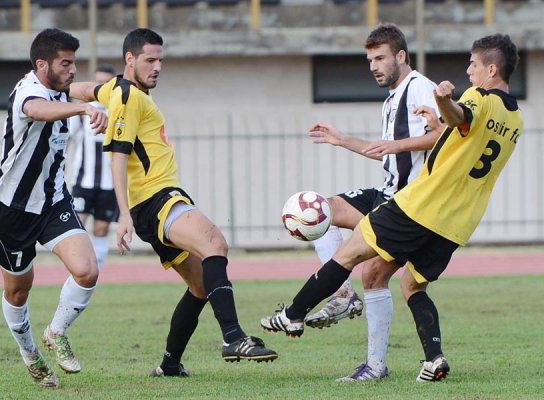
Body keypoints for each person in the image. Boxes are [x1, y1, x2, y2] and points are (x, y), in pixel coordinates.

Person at [261, 33, 522, 383]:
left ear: (491, 69)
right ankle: (434, 359)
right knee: (412, 286)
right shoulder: (516, 120)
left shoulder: (472, 96)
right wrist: (438, 122)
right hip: (456, 222)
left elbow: (461, 116)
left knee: (352, 257)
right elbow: (462, 138)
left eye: (473, 65)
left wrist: (444, 101)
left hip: (419, 204)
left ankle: (294, 313)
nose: (468, 71)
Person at [70, 28, 278, 377]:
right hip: (157, 197)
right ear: (130, 60)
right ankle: (233, 337)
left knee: (199, 285)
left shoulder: (116, 90)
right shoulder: (128, 97)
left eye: (161, 60)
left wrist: (55, 88)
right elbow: (117, 156)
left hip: (149, 206)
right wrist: (123, 215)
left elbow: (82, 88)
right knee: (215, 242)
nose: (158, 67)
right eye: (150, 60)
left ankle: (169, 364)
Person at [266, 23, 444, 381]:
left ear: (401, 56)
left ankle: (374, 364)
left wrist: (396, 147)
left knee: (374, 275)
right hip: (388, 192)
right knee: (320, 210)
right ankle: (344, 295)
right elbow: (389, 154)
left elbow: (440, 136)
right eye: (369, 60)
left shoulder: (419, 88)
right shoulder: (394, 96)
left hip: (407, 204)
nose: (374, 66)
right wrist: (343, 140)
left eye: (380, 58)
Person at [0, 28, 107, 389]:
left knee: (87, 270)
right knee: (20, 290)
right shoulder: (30, 91)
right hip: (13, 209)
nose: (72, 70)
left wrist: (117, 90)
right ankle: (29, 353)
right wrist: (85, 108)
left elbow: (85, 88)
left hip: (53, 201)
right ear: (42, 65)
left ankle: (56, 332)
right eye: (65, 63)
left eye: (74, 63)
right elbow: (39, 110)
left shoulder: (60, 86)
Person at [69, 65, 119, 270]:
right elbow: (66, 139)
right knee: (77, 227)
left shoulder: (119, 112)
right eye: (98, 82)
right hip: (83, 181)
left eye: (107, 82)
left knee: (101, 229)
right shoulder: (82, 111)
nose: (101, 86)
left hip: (109, 183)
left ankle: (96, 274)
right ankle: (79, 272)